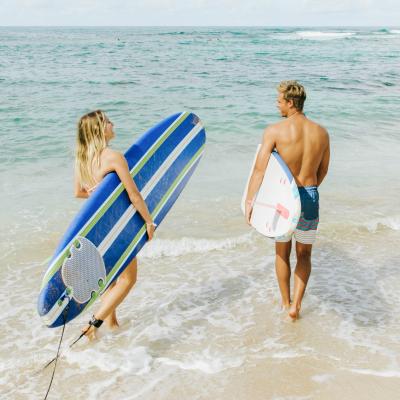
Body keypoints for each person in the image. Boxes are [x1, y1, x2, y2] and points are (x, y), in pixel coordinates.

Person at [245, 81, 330, 321]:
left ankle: (285, 303)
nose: (277, 104)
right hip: (310, 195)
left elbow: (260, 170)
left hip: (283, 201)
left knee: (282, 253)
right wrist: (307, 195)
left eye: (279, 100)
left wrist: (250, 202)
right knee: (304, 255)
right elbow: (323, 170)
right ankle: (297, 306)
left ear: (290, 103)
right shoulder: (321, 132)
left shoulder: (274, 131)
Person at [74, 110, 156, 340]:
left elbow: (79, 192)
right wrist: (148, 221)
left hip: (96, 227)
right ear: (100, 129)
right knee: (128, 279)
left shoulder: (82, 160)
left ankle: (112, 325)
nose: (113, 124)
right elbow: (133, 194)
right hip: (118, 225)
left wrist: (99, 194)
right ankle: (94, 324)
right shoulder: (113, 156)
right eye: (108, 122)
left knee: (113, 279)